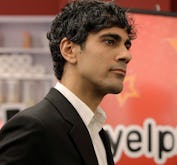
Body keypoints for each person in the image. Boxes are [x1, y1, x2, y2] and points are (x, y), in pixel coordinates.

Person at [0, 0, 136, 165]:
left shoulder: (96, 131)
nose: (126, 55)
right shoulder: (33, 128)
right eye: (110, 41)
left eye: (126, 45)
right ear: (69, 50)